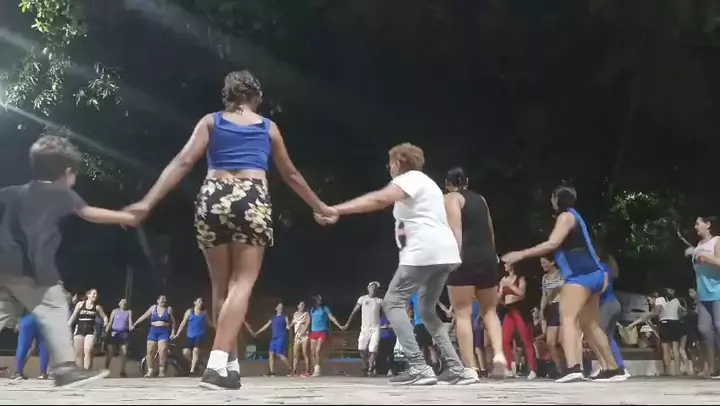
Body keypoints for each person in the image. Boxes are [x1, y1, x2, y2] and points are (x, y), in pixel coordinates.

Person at [124, 70, 334, 390]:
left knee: (220, 287)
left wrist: (147, 202)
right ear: (257, 96)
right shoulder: (267, 127)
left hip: (213, 196)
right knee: (242, 283)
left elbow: (183, 162)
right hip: (251, 196)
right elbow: (290, 174)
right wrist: (320, 206)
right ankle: (216, 363)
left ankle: (230, 367)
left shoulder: (210, 121)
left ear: (228, 96)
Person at [315, 143, 476, 385]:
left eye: (390, 163)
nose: (389, 168)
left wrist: (334, 209)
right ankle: (456, 368)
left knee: (392, 302)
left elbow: (380, 199)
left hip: (423, 251)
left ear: (398, 163)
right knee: (426, 310)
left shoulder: (410, 179)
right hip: (443, 253)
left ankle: (418, 366)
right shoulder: (428, 184)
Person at [0, 135, 137, 387]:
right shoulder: (62, 194)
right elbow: (90, 213)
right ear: (67, 172)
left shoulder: (9, 193)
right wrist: (126, 217)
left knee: (2, 312)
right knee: (55, 308)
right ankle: (65, 368)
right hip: (31, 268)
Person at [501, 185, 622, 383]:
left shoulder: (565, 217)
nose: (551, 201)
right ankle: (613, 369)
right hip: (596, 274)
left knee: (568, 319)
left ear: (558, 199)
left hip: (580, 276)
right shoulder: (576, 216)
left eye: (553, 197)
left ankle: (573, 367)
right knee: (589, 325)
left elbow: (552, 243)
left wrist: (520, 255)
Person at [442, 167, 506, 378]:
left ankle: (470, 367)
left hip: (465, 258)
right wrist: (493, 255)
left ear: (447, 184)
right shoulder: (481, 199)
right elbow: (490, 230)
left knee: (462, 313)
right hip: (487, 258)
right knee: (490, 311)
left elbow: (455, 230)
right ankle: (499, 356)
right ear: (467, 181)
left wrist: (455, 257)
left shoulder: (451, 198)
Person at [686, 216, 720, 378]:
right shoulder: (699, 245)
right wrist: (694, 252)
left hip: (718, 291)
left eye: (698, 223)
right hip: (703, 293)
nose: (695, 226)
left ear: (708, 224)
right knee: (704, 329)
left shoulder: (716, 241)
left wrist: (702, 255)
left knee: (719, 326)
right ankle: (711, 367)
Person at [590, 248, 629, 380]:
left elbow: (602, 286)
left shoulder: (601, 267)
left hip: (607, 304)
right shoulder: (605, 267)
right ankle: (620, 366)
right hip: (613, 304)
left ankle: (610, 367)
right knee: (608, 337)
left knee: (599, 335)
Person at [498, 264, 537, 379]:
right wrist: (500, 291)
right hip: (509, 310)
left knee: (526, 340)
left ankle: (532, 369)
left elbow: (521, 294)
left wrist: (510, 286)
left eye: (506, 263)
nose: (504, 265)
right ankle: (509, 369)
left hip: (520, 309)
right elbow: (500, 297)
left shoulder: (520, 279)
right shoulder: (503, 279)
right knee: (505, 339)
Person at [344, 281, 383, 376]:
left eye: (375, 288)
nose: (373, 289)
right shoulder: (362, 299)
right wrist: (348, 323)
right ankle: (366, 363)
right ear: (368, 288)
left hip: (375, 328)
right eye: (372, 287)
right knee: (361, 348)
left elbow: (386, 312)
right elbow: (354, 311)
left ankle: (370, 368)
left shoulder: (379, 301)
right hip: (365, 328)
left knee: (373, 349)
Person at [132, 295, 176, 377]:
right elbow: (144, 316)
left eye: (165, 299)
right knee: (150, 351)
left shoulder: (169, 309)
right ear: (158, 300)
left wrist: (173, 332)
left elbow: (173, 322)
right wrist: (135, 324)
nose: (164, 300)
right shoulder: (153, 308)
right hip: (153, 332)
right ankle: (150, 370)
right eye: (162, 299)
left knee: (162, 351)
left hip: (164, 332)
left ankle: (161, 370)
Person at [247, 302, 292, 376]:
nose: (280, 308)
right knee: (271, 354)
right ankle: (272, 372)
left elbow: (287, 324)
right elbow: (266, 326)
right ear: (276, 308)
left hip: (281, 337)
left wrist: (288, 326)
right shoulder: (273, 318)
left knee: (279, 354)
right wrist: (257, 332)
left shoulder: (284, 316)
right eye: (279, 306)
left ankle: (290, 368)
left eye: (281, 307)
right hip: (274, 338)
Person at [68, 288, 108, 370]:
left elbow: (104, 316)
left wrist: (105, 322)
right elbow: (74, 315)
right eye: (93, 293)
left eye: (96, 294)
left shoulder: (97, 307)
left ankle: (87, 371)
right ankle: (80, 371)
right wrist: (68, 325)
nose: (95, 295)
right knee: (78, 353)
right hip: (79, 330)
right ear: (88, 295)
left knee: (88, 350)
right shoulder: (80, 304)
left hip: (90, 331)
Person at [308, 295, 345, 377]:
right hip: (313, 332)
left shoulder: (325, 308)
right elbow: (309, 321)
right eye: (318, 299)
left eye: (320, 299)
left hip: (322, 331)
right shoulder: (312, 310)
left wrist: (339, 325)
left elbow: (331, 317)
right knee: (312, 352)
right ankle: (315, 369)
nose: (319, 300)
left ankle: (317, 370)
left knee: (317, 350)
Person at [174, 297, 211, 376]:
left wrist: (217, 328)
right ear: (195, 302)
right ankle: (195, 363)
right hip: (190, 336)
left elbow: (209, 323)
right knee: (185, 352)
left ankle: (192, 370)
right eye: (199, 301)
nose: (201, 303)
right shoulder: (189, 312)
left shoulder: (204, 312)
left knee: (195, 350)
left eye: (202, 301)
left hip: (200, 335)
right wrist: (177, 334)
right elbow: (183, 323)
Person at [539, 256, 564, 374]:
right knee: (550, 342)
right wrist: (541, 310)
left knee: (562, 340)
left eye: (544, 262)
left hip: (563, 307)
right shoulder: (544, 277)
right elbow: (544, 296)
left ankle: (571, 365)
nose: (542, 265)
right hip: (551, 308)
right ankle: (560, 369)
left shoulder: (562, 274)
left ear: (552, 262)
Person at [12, 313, 50, 380]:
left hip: (28, 318)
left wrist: (16, 321)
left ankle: (19, 372)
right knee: (44, 346)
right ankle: (43, 373)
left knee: (23, 346)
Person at [104, 298, 132, 377]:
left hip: (123, 334)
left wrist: (131, 327)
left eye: (125, 302)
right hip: (114, 334)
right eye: (122, 302)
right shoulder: (115, 311)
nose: (124, 303)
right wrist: (106, 331)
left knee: (124, 352)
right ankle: (106, 366)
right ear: (119, 303)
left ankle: (123, 370)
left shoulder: (128, 312)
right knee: (111, 352)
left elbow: (130, 322)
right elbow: (110, 322)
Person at [290, 301, 311, 376]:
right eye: (301, 305)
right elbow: (293, 322)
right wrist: (289, 326)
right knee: (295, 354)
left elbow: (308, 323)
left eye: (303, 305)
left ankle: (308, 371)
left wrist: (303, 332)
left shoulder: (306, 314)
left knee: (305, 353)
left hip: (304, 335)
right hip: (297, 336)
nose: (302, 306)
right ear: (298, 306)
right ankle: (294, 371)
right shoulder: (295, 314)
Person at [376, 311, 397, 376]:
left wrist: (387, 326)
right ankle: (382, 370)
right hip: (382, 338)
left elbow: (395, 326)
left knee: (390, 354)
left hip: (390, 338)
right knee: (382, 354)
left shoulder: (392, 317)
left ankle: (391, 369)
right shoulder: (379, 318)